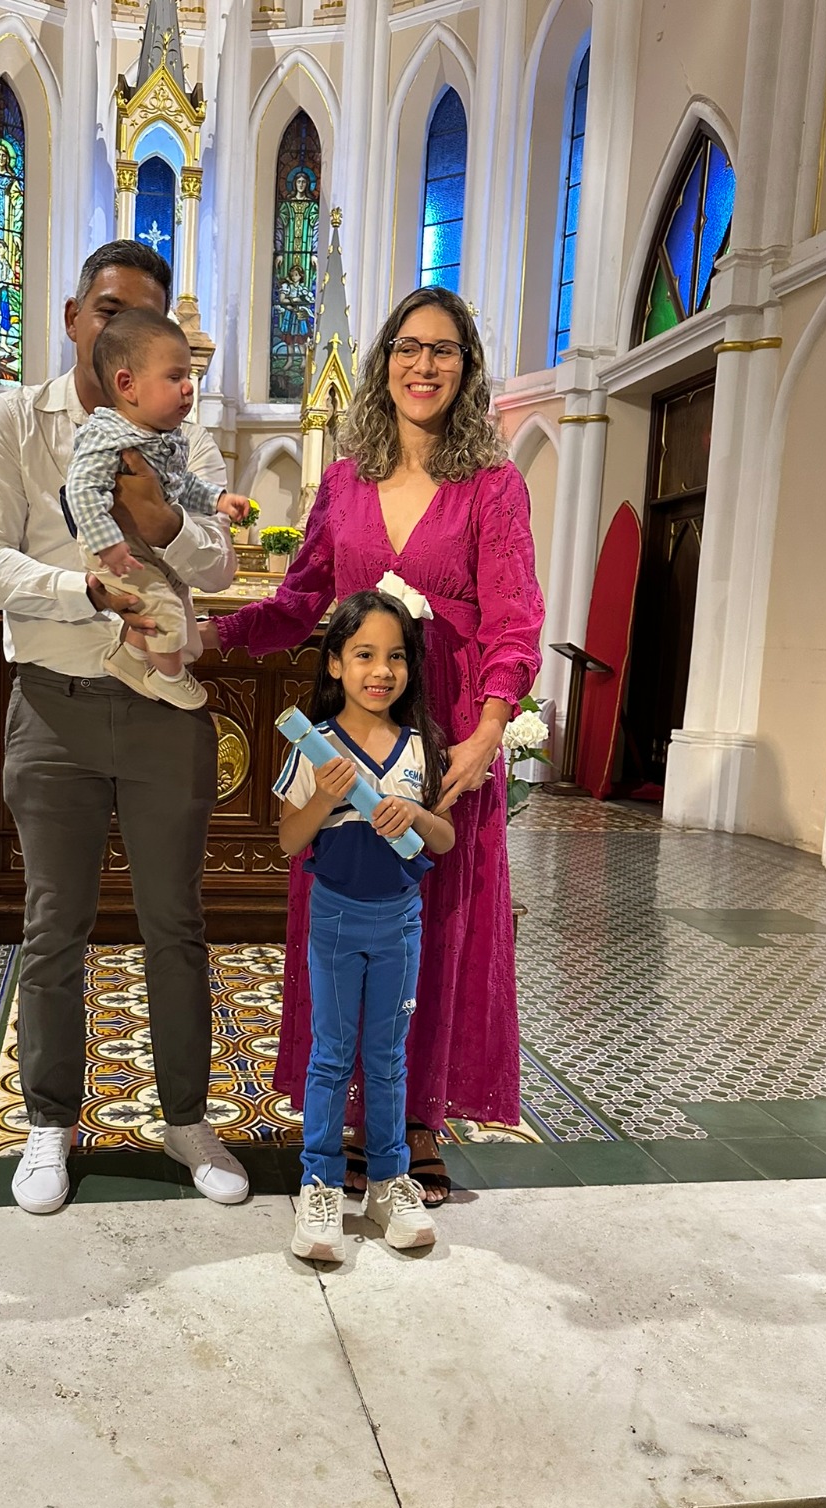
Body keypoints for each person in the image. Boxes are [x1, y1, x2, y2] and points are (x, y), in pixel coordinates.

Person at [202, 286, 545, 1202]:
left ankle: (417, 1120)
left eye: (444, 350)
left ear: (467, 369)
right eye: (408, 347)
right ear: (383, 361)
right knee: (347, 907)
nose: (423, 366)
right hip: (352, 731)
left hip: (449, 732)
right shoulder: (347, 481)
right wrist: (214, 636)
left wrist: (487, 731)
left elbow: (515, 619)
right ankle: (350, 1113)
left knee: (437, 923)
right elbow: (300, 600)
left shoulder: (492, 485)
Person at [0, 240, 249, 1215]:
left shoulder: (178, 430)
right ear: (75, 316)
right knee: (53, 927)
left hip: (163, 714)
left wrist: (164, 524)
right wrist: (80, 590)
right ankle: (50, 1120)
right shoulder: (12, 421)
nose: (126, 329)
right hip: (53, 708)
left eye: (148, 316)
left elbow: (217, 565)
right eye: (111, 309)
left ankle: (186, 1118)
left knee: (176, 923)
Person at [277, 588, 454, 1263]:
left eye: (396, 657)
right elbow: (289, 841)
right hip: (334, 920)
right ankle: (320, 1183)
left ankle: (388, 1180)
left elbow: (445, 839)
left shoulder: (421, 747)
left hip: (401, 923)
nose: (381, 670)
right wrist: (325, 799)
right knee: (330, 1054)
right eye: (364, 655)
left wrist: (416, 816)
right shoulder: (316, 746)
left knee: (386, 1057)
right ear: (334, 663)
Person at [64, 308, 253, 711]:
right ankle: (169, 677)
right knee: (163, 605)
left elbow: (183, 486)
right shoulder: (107, 435)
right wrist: (109, 544)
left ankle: (130, 657)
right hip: (112, 548)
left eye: (189, 376)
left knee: (170, 586)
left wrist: (218, 500)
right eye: (175, 377)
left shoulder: (164, 437)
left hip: (136, 546)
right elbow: (81, 490)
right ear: (127, 385)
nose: (188, 388)